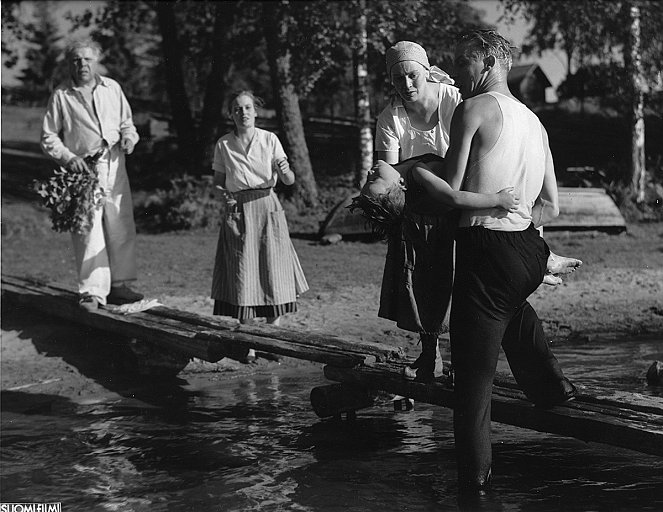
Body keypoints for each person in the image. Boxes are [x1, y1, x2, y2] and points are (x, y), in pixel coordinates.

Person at [444, 30, 577, 494]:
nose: (457, 71)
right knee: (511, 308)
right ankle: (551, 388)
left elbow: (450, 188)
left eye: (464, 61)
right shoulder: (535, 122)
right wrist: (522, 226)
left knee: (472, 382)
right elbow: (552, 205)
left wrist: (411, 178)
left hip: (486, 249)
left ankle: (473, 486)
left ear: (490, 60)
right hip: (526, 251)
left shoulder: (473, 110)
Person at [373, 41, 462, 382]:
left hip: (457, 200)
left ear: (426, 71)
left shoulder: (453, 101)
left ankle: (464, 360)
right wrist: (425, 168)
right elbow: (388, 174)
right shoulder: (390, 117)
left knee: (459, 279)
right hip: (415, 210)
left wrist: (416, 168)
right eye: (398, 79)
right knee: (419, 279)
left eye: (412, 76)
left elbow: (466, 154)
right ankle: (431, 357)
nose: (407, 85)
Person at [41, 39, 143, 312]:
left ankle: (120, 285)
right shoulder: (62, 95)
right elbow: (48, 136)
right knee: (88, 230)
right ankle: (92, 292)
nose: (82, 64)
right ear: (69, 63)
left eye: (87, 59)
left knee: (121, 224)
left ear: (96, 61)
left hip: (114, 164)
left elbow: (127, 124)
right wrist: (69, 158)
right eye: (76, 60)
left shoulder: (112, 88)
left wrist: (129, 139)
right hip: (83, 171)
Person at [210, 90, 309, 362]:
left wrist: (284, 168)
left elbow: (288, 180)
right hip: (239, 210)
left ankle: (271, 341)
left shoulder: (269, 140)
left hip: (268, 206)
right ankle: (249, 345)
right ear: (231, 114)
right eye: (237, 108)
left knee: (273, 272)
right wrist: (224, 194)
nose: (243, 112)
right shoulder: (224, 144)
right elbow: (218, 180)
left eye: (248, 108)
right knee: (243, 273)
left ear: (256, 111)